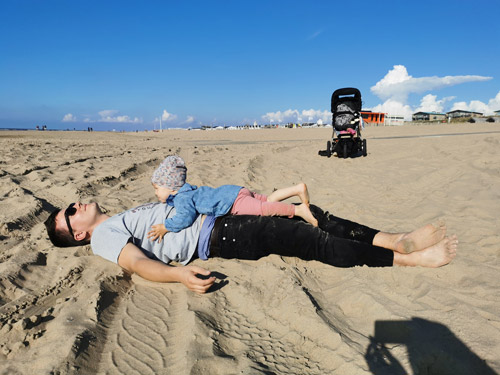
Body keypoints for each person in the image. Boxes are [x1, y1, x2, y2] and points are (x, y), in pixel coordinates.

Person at [44, 200, 457, 294]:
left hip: (220, 220)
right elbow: (134, 262)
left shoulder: (111, 221)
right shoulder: (102, 237)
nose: (76, 204)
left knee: (306, 213)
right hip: (222, 235)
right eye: (70, 212)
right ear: (78, 233)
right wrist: (178, 274)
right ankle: (407, 260)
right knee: (308, 241)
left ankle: (392, 240)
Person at [148, 155, 318, 242]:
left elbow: (184, 218)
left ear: (170, 187)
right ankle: (296, 189)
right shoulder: (188, 189)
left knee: (263, 210)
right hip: (235, 191)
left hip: (233, 203)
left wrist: (165, 227)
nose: (156, 192)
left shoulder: (182, 198)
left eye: (157, 188)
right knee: (268, 200)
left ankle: (297, 209)